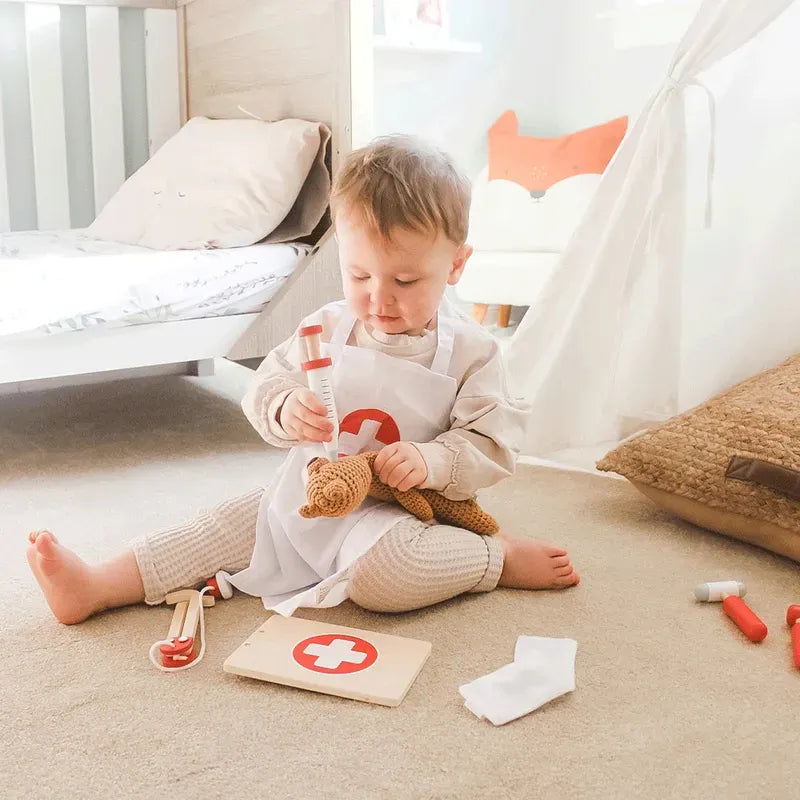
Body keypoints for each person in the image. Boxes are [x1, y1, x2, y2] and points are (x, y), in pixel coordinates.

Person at [26, 135, 579, 626]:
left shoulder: (473, 353)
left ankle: (494, 557)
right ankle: (97, 584)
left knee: (384, 577)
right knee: (222, 525)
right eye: (359, 274)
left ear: (456, 265)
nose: (379, 298)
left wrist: (433, 460)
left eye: (406, 280)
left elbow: (492, 445)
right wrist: (285, 406)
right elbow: (267, 386)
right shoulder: (325, 328)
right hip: (314, 494)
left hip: (403, 513)